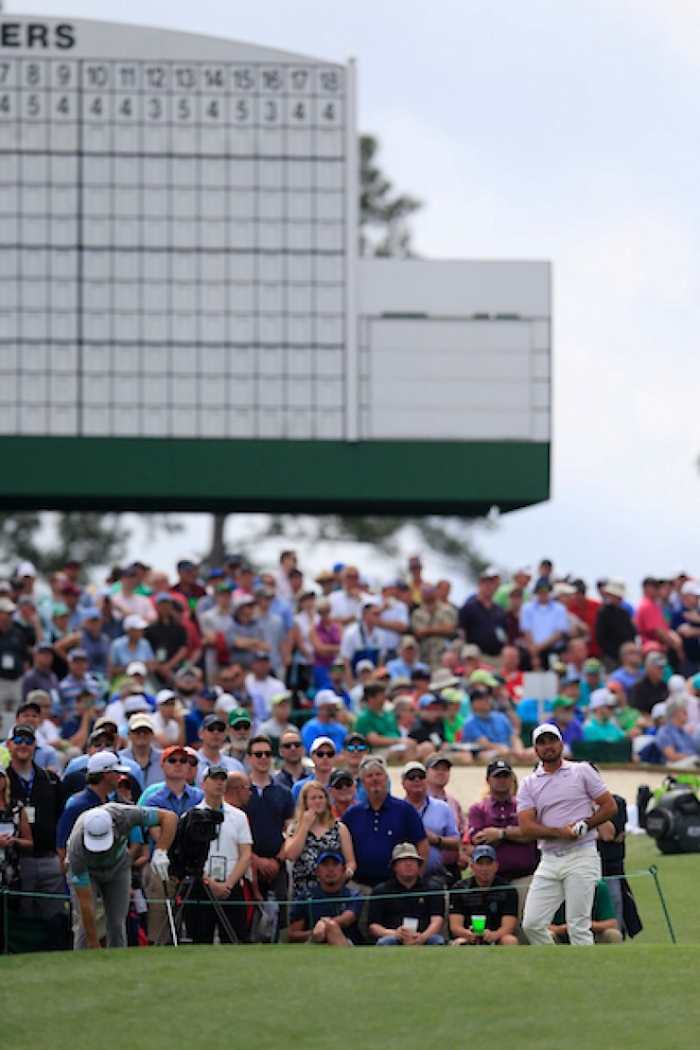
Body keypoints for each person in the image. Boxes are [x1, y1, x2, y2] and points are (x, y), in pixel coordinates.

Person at [517, 722, 617, 945]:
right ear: (535, 750)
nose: (547, 747)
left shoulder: (581, 771)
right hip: (549, 860)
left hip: (581, 854)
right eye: (541, 743)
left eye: (552, 741)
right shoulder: (528, 783)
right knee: (531, 924)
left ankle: (582, 976)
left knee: (578, 926)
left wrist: (586, 824)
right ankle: (556, 965)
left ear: (561, 743)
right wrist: (559, 832)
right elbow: (527, 826)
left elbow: (609, 806)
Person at [66, 802, 177, 949]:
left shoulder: (124, 815)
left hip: (118, 867)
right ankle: (82, 964)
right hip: (88, 870)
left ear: (113, 828)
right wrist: (94, 944)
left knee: (117, 922)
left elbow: (169, 817)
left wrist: (160, 850)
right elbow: (86, 904)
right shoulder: (76, 847)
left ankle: (118, 965)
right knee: (85, 925)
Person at [139, 745, 204, 944]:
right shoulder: (153, 800)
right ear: (163, 765)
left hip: (195, 862)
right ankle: (158, 943)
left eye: (183, 761)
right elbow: (158, 836)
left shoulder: (200, 797)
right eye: (172, 760)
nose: (178, 765)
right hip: (163, 862)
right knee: (159, 906)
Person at [182, 765, 253, 944]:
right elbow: (187, 856)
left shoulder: (239, 816)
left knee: (235, 940)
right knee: (200, 940)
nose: (219, 783)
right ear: (203, 783)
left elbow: (245, 854)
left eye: (222, 779)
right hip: (201, 886)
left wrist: (228, 884)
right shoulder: (189, 817)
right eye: (214, 779)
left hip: (232, 885)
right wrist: (208, 882)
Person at [6, 723, 67, 929]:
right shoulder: (3, 781)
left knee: (54, 916)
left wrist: (61, 855)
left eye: (29, 741)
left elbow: (62, 819)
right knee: (22, 915)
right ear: (9, 745)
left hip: (50, 858)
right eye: (18, 741)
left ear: (35, 746)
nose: (23, 745)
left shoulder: (51, 780)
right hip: (16, 862)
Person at [342, 755, 428, 891]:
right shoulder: (352, 814)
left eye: (379, 774)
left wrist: (417, 878)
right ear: (363, 782)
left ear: (386, 778)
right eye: (369, 776)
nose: (375, 779)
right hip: (360, 887)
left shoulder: (405, 810)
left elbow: (422, 843)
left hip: (397, 888)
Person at [467, 759, 538, 903]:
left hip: (524, 876)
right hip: (491, 881)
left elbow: (531, 833)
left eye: (505, 776)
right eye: (497, 776)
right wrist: (517, 833)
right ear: (488, 780)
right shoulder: (479, 809)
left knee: (527, 923)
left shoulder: (525, 805)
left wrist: (500, 834)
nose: (502, 780)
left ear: (512, 779)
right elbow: (479, 840)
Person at [244, 735, 295, 918]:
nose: (264, 758)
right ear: (249, 758)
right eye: (258, 754)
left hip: (277, 865)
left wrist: (277, 860)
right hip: (246, 865)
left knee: (280, 919)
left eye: (268, 753)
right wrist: (254, 860)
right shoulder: (241, 791)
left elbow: (291, 831)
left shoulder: (284, 792)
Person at [283, 779, 355, 895]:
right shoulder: (295, 828)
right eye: (313, 798)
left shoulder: (340, 828)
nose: (318, 801)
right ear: (305, 802)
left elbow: (351, 861)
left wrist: (346, 874)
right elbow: (290, 855)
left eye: (321, 797)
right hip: (304, 891)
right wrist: (304, 827)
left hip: (333, 889)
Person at [368, 841, 445, 945]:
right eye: (403, 860)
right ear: (394, 866)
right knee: (384, 942)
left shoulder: (433, 888)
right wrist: (394, 933)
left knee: (438, 941)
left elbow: (437, 920)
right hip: (393, 937)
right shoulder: (381, 891)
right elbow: (373, 926)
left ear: (418, 865)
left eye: (412, 860)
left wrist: (422, 937)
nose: (408, 864)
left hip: (424, 936)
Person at [448, 844, 519, 945]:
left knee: (510, 940)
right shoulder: (459, 888)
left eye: (489, 863)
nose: (485, 868)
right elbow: (455, 926)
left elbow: (508, 926)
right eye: (480, 864)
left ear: (496, 866)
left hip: (496, 936)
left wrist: (494, 935)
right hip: (467, 935)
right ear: (472, 866)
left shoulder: (507, 889)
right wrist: (468, 934)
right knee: (459, 943)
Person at [288, 850, 362, 945]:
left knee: (331, 927)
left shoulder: (353, 895)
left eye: (335, 864)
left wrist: (324, 925)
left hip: (347, 944)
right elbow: (293, 934)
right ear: (317, 871)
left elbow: (347, 919)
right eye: (325, 865)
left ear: (343, 870)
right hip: (314, 946)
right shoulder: (306, 897)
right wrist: (313, 933)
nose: (330, 869)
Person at [401, 760, 459, 881]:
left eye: (421, 776)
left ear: (426, 780)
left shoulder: (442, 807)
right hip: (402, 879)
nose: (417, 780)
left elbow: (456, 842)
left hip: (436, 876)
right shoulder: (397, 809)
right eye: (411, 777)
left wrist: (437, 840)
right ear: (403, 783)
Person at [0, 763, 32, 951]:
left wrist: (14, 841)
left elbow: (29, 841)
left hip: (10, 871)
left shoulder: (16, 808)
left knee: (9, 914)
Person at [549, 879, 623, 944]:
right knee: (549, 935)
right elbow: (540, 925)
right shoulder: (553, 888)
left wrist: (586, 925)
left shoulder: (598, 887)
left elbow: (612, 923)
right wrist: (561, 929)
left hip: (593, 934)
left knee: (614, 935)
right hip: (560, 935)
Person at [458, 568, 507, 660]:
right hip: (475, 654)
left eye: (491, 584)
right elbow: (462, 632)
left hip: (496, 654)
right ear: (479, 585)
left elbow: (503, 635)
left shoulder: (499, 610)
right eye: (485, 583)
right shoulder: (469, 607)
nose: (488, 587)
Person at [520, 579, 569, 670]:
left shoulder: (560, 608)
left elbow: (559, 633)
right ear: (536, 592)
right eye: (540, 591)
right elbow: (526, 630)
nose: (543, 593)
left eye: (546, 590)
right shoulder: (527, 608)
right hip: (532, 650)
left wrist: (539, 648)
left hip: (553, 650)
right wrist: (534, 653)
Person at [411, 585, 458, 670]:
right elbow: (419, 633)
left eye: (430, 591)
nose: (427, 594)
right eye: (425, 592)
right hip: (423, 653)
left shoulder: (447, 609)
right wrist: (439, 629)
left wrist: (427, 630)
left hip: (442, 653)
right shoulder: (417, 612)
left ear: (435, 593)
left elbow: (450, 629)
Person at [195, 713, 246, 785]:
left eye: (220, 729)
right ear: (200, 733)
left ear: (225, 734)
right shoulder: (192, 763)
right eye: (211, 729)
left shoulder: (236, 765)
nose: (216, 732)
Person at [654, 698, 700, 768]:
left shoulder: (685, 733)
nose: (687, 713)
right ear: (675, 713)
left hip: (691, 763)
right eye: (684, 711)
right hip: (673, 766)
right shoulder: (665, 731)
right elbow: (671, 756)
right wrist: (691, 757)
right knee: (694, 761)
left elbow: (695, 750)